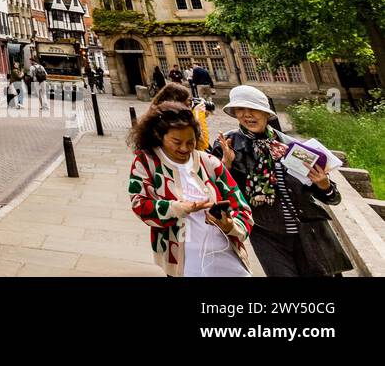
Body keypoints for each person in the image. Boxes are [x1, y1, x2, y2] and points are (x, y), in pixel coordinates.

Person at [209, 86, 351, 277]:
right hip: (266, 234)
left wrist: (323, 184)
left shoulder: (291, 146)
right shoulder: (228, 145)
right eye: (240, 110)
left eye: (253, 109)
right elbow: (215, 192)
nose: (247, 115)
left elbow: (333, 199)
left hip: (309, 232)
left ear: (266, 114)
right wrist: (226, 164)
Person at [127, 102, 253, 277]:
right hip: (184, 264)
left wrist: (230, 225)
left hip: (227, 258)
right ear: (158, 135)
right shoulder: (146, 162)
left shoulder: (210, 162)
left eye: (191, 142)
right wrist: (177, 208)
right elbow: (140, 205)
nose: (185, 148)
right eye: (176, 142)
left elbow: (243, 209)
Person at [153, 82, 210, 147]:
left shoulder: (158, 115)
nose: (189, 108)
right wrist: (198, 115)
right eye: (188, 104)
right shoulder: (169, 123)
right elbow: (201, 144)